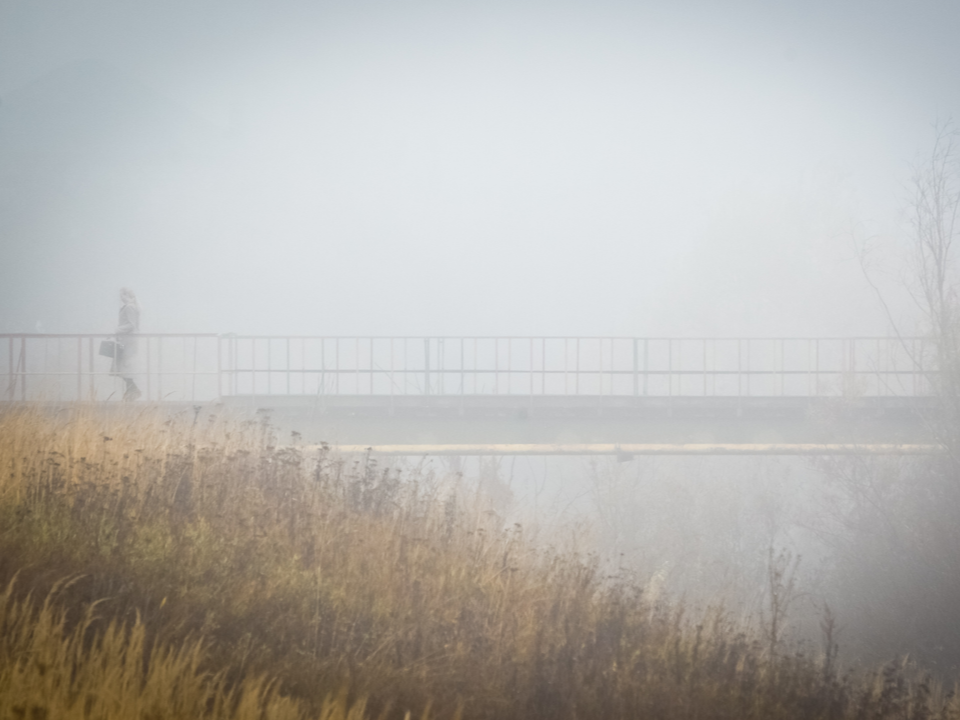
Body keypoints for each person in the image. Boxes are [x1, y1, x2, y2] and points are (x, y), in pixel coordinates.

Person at [115, 287, 142, 401]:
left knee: (123, 366)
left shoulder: (129, 307)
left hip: (127, 342)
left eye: (123, 295)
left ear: (128, 296)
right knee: (123, 366)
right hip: (126, 341)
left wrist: (118, 330)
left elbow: (132, 325)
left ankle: (133, 390)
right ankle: (131, 391)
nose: (121, 297)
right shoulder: (129, 307)